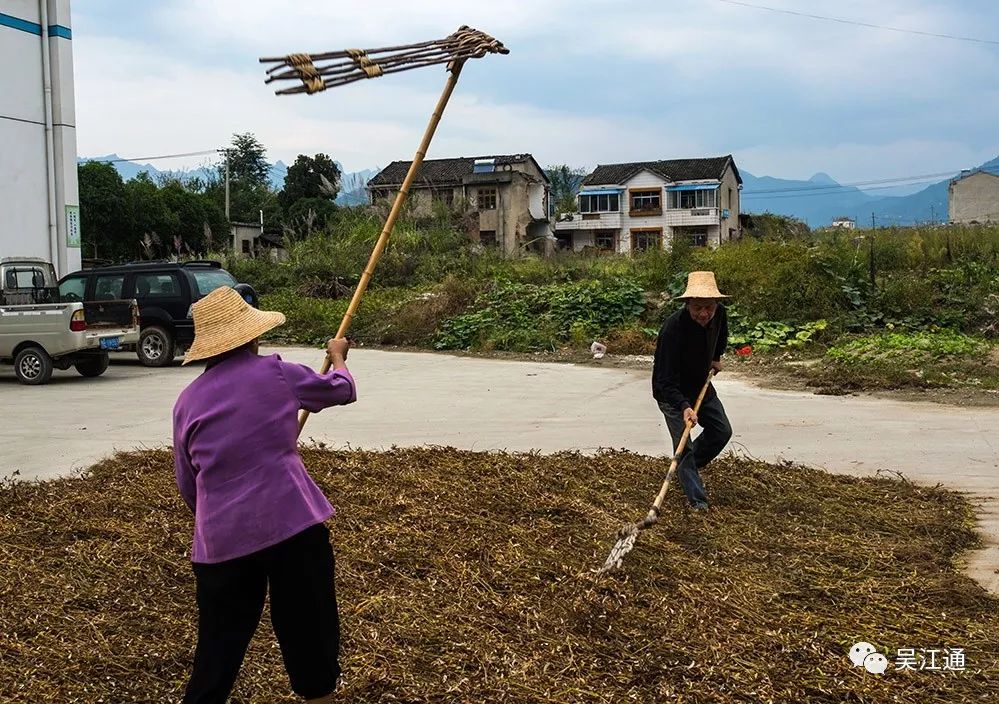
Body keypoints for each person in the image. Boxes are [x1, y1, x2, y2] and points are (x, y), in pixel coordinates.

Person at [172, 286, 356, 704]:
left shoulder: (187, 402)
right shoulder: (276, 372)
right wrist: (339, 355)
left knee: (217, 652)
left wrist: (217, 516)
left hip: (221, 543)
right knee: (310, 633)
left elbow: (188, 482)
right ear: (251, 337)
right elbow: (341, 389)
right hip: (292, 526)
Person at [651, 271, 733, 512]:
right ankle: (698, 501)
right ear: (687, 304)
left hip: (700, 384)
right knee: (683, 445)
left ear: (716, 304)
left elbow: (721, 337)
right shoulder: (672, 330)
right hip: (672, 394)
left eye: (709, 307)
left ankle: (685, 470)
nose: (704, 314)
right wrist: (684, 406)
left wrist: (716, 358)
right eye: (697, 307)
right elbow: (665, 381)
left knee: (721, 430)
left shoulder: (719, 315)